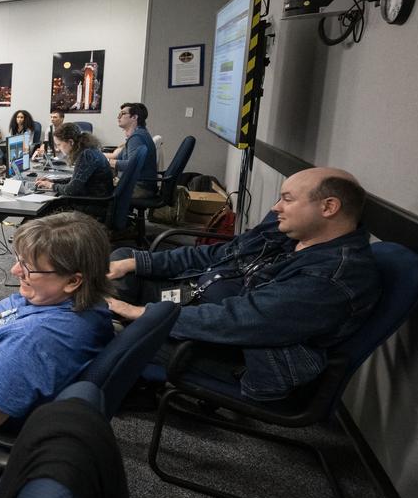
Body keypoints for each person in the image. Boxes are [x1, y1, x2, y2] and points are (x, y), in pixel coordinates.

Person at [107, 168, 381, 401]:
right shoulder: (291, 232)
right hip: (200, 301)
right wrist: (137, 264)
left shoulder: (332, 276)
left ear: (328, 207)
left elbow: (239, 321)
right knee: (122, 260)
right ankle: (114, 337)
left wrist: (142, 313)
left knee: (115, 331)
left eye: (287, 199)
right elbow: (215, 255)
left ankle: (112, 359)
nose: (276, 207)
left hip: (240, 352)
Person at [0, 212, 113, 432]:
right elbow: (20, 321)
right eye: (19, 260)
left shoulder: (36, 340)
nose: (15, 271)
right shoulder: (83, 303)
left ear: (72, 280)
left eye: (28, 267)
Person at [35, 122, 112, 219]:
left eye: (59, 144)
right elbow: (76, 179)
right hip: (95, 200)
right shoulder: (88, 151)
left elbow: (71, 190)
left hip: (93, 205)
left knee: (43, 210)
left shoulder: (86, 155)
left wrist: (51, 186)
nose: (58, 148)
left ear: (70, 142)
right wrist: (53, 181)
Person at [107, 102, 158, 198]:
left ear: (134, 117)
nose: (118, 117)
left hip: (138, 188)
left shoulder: (137, 138)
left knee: (95, 189)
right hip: (139, 185)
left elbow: (132, 165)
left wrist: (108, 161)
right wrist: (97, 155)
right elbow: (118, 156)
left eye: (122, 114)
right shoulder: (140, 134)